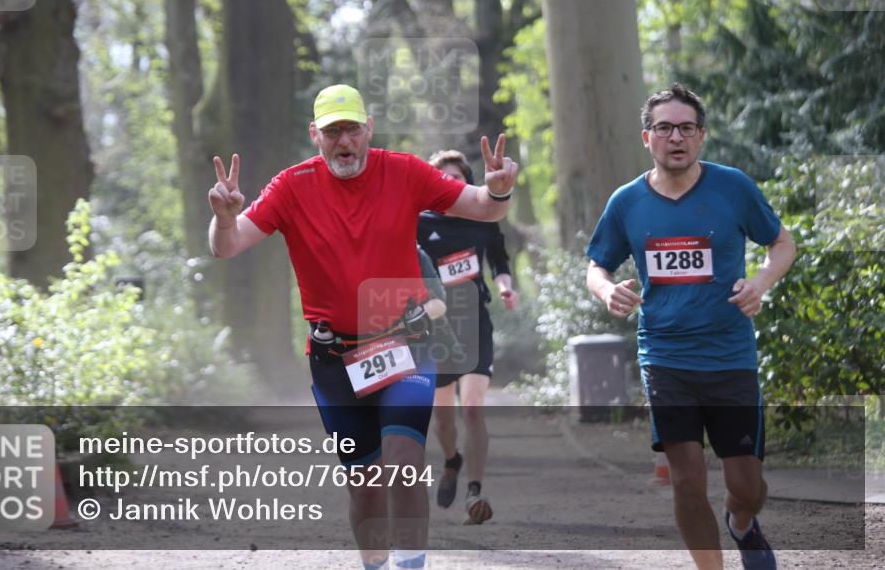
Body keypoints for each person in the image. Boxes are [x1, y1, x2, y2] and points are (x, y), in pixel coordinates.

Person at [208, 84, 519, 570]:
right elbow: (226, 247)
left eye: (352, 128)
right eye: (333, 131)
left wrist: (498, 187)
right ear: (316, 135)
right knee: (366, 482)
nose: (344, 141)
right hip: (335, 359)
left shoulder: (404, 171)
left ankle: (410, 565)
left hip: (406, 343)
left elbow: (483, 206)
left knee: (403, 460)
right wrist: (224, 221)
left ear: (368, 128)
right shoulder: (291, 187)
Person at [585, 83, 795, 570]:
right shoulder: (627, 201)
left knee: (747, 487)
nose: (675, 137)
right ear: (647, 137)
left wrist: (761, 282)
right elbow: (597, 265)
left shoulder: (733, 187)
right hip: (665, 357)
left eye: (686, 128)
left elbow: (782, 244)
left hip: (729, 356)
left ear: (701, 137)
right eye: (664, 128)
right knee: (685, 480)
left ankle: (742, 524)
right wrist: (605, 289)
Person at [415, 150, 519, 525]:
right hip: (436, 329)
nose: (450, 185)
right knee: (443, 420)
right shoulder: (419, 222)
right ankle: (451, 461)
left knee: (472, 407)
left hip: (475, 323)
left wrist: (506, 287)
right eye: (442, 179)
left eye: (457, 179)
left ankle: (475, 491)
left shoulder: (483, 218)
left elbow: (499, 261)